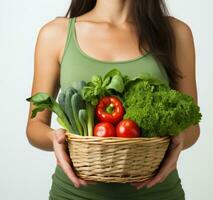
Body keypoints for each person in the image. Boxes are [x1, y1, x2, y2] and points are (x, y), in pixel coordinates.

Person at [26, 0, 200, 199]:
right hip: (75, 195)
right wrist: (53, 138)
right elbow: (34, 126)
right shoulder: (56, 34)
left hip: (156, 193)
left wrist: (180, 138)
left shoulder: (176, 33)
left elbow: (192, 125)